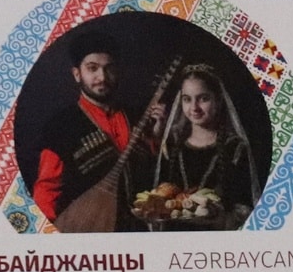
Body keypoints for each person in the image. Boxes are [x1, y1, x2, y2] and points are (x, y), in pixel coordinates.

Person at [32, 23, 137, 230]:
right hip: (89, 227)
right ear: (77, 74)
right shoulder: (61, 126)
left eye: (109, 68)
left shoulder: (136, 115)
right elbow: (46, 190)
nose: (102, 77)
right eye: (92, 68)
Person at [140, 63, 260, 230]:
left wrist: (220, 218)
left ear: (218, 100)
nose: (194, 107)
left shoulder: (234, 148)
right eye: (187, 99)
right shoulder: (173, 143)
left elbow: (245, 205)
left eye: (203, 98)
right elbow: (159, 191)